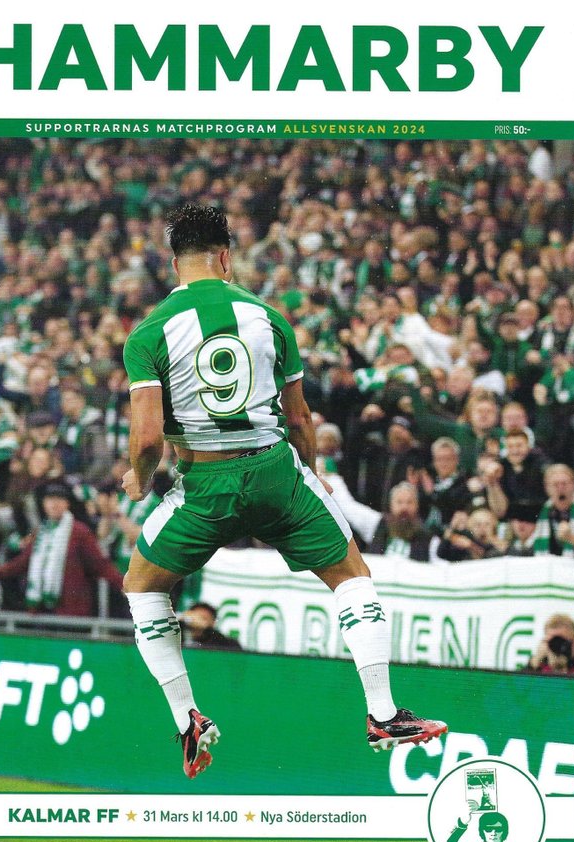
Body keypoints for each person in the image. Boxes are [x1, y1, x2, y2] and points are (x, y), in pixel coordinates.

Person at [121, 205, 446, 779]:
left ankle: (187, 718)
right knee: (351, 575)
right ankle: (383, 713)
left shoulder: (148, 334)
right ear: (226, 258)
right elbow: (299, 419)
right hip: (275, 471)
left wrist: (139, 477)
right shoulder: (269, 318)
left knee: (143, 586)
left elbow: (147, 440)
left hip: (205, 485)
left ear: (174, 264)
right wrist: (310, 477)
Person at [0, 482, 124, 616]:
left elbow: (100, 565)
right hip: (41, 608)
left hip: (71, 610)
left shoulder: (79, 532)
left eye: (59, 499)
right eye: (50, 500)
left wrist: (123, 584)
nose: (54, 504)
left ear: (67, 504)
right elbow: (23, 562)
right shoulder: (41, 532)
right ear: (44, 504)